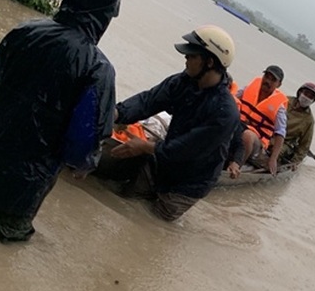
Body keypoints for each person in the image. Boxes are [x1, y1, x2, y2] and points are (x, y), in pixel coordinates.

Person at [0, 0, 121, 242]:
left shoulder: (26, 29)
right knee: (3, 253)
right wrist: (84, 164)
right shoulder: (98, 69)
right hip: (18, 195)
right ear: (103, 17)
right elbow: (84, 138)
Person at [97, 25, 240, 221]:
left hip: (189, 182)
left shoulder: (225, 112)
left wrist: (145, 147)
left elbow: (187, 148)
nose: (186, 58)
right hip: (162, 162)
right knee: (126, 202)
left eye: (191, 55)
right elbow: (148, 101)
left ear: (209, 62)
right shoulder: (183, 82)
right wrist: (115, 113)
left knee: (153, 224)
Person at [237, 65, 288, 175]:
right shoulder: (249, 88)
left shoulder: (279, 108)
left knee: (247, 136)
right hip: (238, 126)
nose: (268, 81)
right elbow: (233, 98)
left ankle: (236, 166)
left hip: (257, 140)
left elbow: (280, 133)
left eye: (273, 80)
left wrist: (273, 158)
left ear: (278, 84)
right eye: (266, 76)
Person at [280, 82, 315, 165]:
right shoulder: (285, 100)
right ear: (300, 92)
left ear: (313, 101)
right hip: (267, 132)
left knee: (277, 152)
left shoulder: (308, 120)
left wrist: (295, 162)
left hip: (284, 142)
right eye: (306, 94)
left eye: (310, 97)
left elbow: (304, 145)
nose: (306, 98)